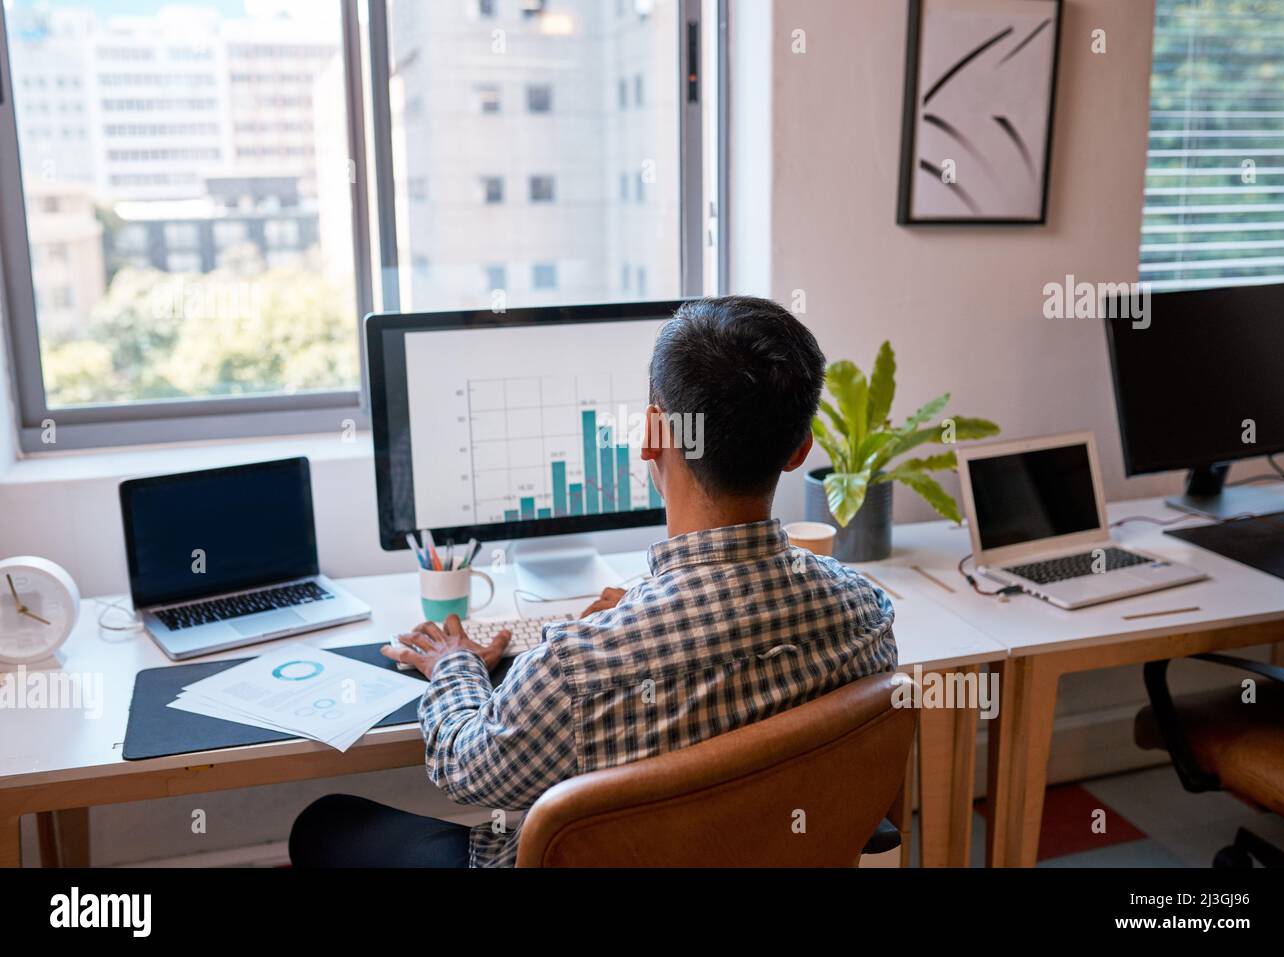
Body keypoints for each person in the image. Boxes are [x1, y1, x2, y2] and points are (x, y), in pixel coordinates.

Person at [289, 296, 898, 868]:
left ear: (655, 435)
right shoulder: (866, 614)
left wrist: (455, 663)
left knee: (324, 823)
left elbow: (466, 771)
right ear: (799, 450)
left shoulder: (572, 667)